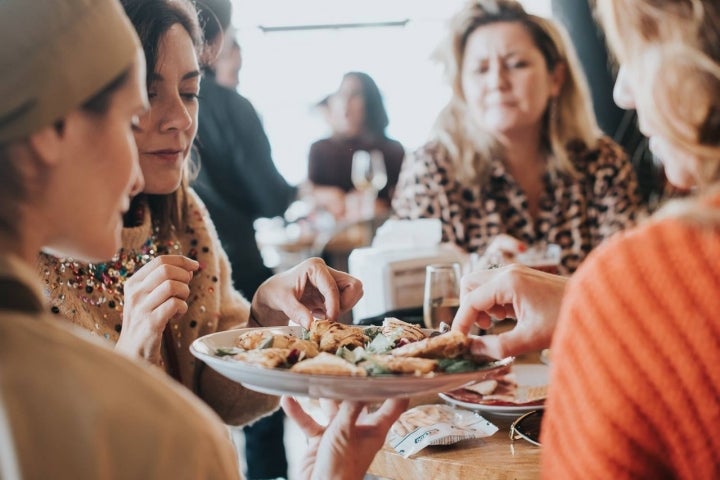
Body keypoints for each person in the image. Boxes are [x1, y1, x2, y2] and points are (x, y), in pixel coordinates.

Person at [2, 1, 406, 478]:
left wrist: (261, 322)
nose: (181, 120)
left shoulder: (181, 212)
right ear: (51, 125)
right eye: (136, 108)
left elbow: (213, 387)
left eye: (192, 92)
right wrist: (132, 370)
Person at [453, 0, 720, 477]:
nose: (621, 92)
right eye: (480, 69)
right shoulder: (436, 164)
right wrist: (590, 299)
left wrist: (601, 301)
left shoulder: (604, 166)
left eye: (636, 53)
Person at [392, 0, 643, 275]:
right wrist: (478, 269)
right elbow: (412, 287)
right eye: (481, 69)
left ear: (555, 78)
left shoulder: (601, 162)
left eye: (516, 64)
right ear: (462, 86)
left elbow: (629, 272)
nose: (497, 81)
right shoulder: (431, 168)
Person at [192, 0, 295, 477]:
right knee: (260, 411)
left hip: (193, 269)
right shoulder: (232, 106)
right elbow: (270, 196)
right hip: (240, 264)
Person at [308, 72, 405, 220]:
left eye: (355, 95)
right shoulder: (320, 149)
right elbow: (307, 192)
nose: (346, 102)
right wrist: (328, 196)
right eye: (342, 94)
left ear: (370, 102)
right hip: (334, 236)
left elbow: (403, 199)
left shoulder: (392, 150)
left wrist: (381, 206)